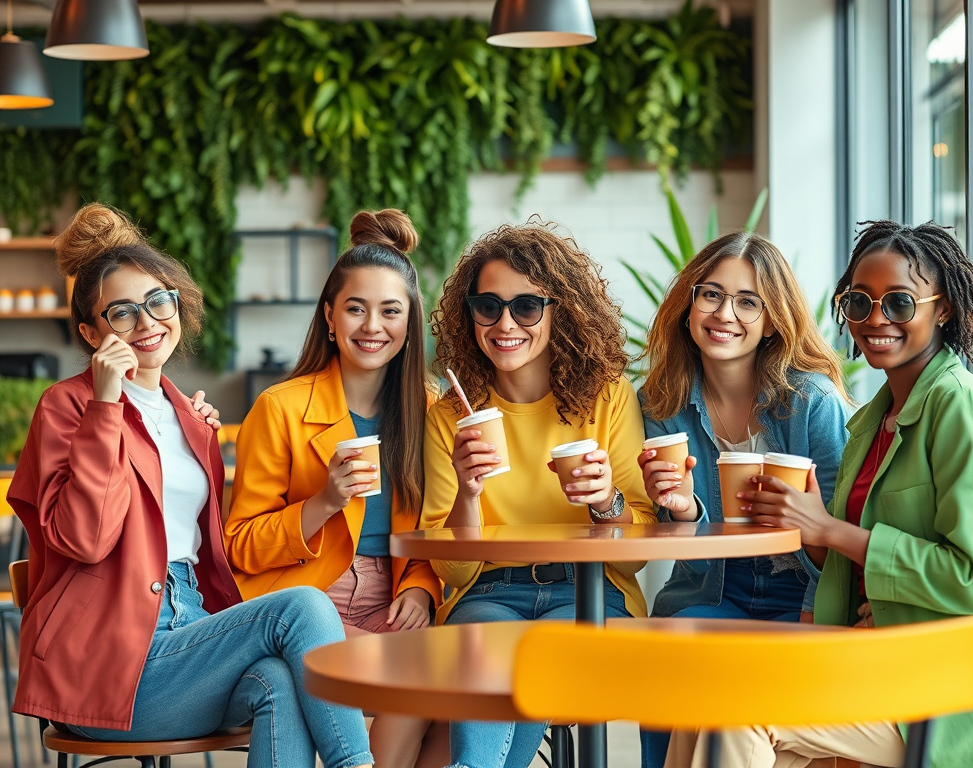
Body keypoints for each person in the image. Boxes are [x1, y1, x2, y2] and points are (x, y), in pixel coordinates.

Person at [5, 203, 372, 768]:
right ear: (90, 332)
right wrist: (105, 405)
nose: (148, 322)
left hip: (189, 634)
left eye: (158, 302)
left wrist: (196, 440)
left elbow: (204, 545)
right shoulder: (67, 407)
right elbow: (86, 539)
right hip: (111, 665)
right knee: (302, 608)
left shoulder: (188, 418)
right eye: (122, 313)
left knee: (281, 679)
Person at [667, 220, 973, 768]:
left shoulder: (960, 408)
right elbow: (842, 560)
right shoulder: (873, 421)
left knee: (737, 708)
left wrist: (828, 529)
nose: (876, 319)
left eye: (900, 303)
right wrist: (810, 533)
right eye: (859, 302)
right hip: (878, 658)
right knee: (706, 695)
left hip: (946, 687)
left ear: (943, 309)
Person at [421, 218, 658, 768]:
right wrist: (469, 493)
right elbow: (452, 572)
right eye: (488, 306)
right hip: (487, 595)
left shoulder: (607, 397)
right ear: (469, 314)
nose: (506, 323)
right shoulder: (451, 417)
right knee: (493, 658)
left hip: (591, 594)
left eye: (526, 307)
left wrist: (606, 502)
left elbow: (639, 549)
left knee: (534, 661)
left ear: (560, 313)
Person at [224, 209, 446, 768]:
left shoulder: (429, 408)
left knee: (459, 693)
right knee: (419, 677)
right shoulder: (280, 408)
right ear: (329, 316)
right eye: (355, 308)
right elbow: (240, 546)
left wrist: (420, 587)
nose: (372, 326)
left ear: (410, 322)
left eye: (390, 311)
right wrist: (324, 502)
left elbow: (432, 523)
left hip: (394, 603)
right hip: (307, 601)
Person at [637, 231, 852, 767]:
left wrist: (811, 613)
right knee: (663, 660)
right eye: (710, 294)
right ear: (688, 304)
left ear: (773, 318)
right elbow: (669, 538)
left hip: (798, 593)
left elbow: (835, 527)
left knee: (739, 692)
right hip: (714, 589)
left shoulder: (811, 403)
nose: (724, 313)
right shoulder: (661, 402)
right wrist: (685, 510)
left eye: (747, 301)